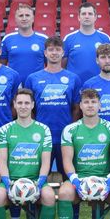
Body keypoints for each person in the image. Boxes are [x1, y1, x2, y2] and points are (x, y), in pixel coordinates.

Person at [57, 89, 110, 219]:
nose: (90, 105)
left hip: (105, 179)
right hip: (79, 179)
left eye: (94, 102)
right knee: (64, 192)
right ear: (80, 106)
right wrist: (75, 181)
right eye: (86, 102)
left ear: (100, 105)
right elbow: (67, 161)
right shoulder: (70, 130)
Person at [25, 36, 81, 179]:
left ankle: (72, 202)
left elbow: (76, 108)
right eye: (51, 50)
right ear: (45, 53)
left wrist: (71, 129)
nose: (54, 53)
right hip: (41, 137)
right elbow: (29, 108)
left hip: (65, 138)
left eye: (58, 49)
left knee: (69, 177)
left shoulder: (73, 78)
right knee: (37, 177)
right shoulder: (33, 78)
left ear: (63, 53)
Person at [0, 88, 56, 219]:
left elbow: (46, 162)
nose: (23, 106)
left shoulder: (43, 129)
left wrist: (39, 184)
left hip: (36, 180)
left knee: (49, 196)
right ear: (15, 104)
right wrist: (8, 184)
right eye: (20, 103)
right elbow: (2, 161)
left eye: (27, 103)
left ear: (33, 105)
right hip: (11, 180)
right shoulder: (4, 130)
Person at [62, 2, 110, 85]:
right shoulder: (69, 38)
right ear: (78, 17)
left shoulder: (105, 38)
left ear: (95, 17)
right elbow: (62, 63)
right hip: (75, 86)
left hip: (100, 85)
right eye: (83, 14)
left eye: (90, 14)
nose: (87, 16)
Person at [0, 3, 47, 86]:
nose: (24, 18)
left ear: (33, 18)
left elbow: (49, 65)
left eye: (27, 15)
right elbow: (1, 65)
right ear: (15, 19)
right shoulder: (7, 39)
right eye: (21, 16)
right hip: (14, 85)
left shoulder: (44, 39)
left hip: (38, 85)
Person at [0, 38, 21, 135]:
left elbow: (17, 103)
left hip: (5, 130)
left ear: (0, 51)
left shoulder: (13, 75)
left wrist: (7, 119)